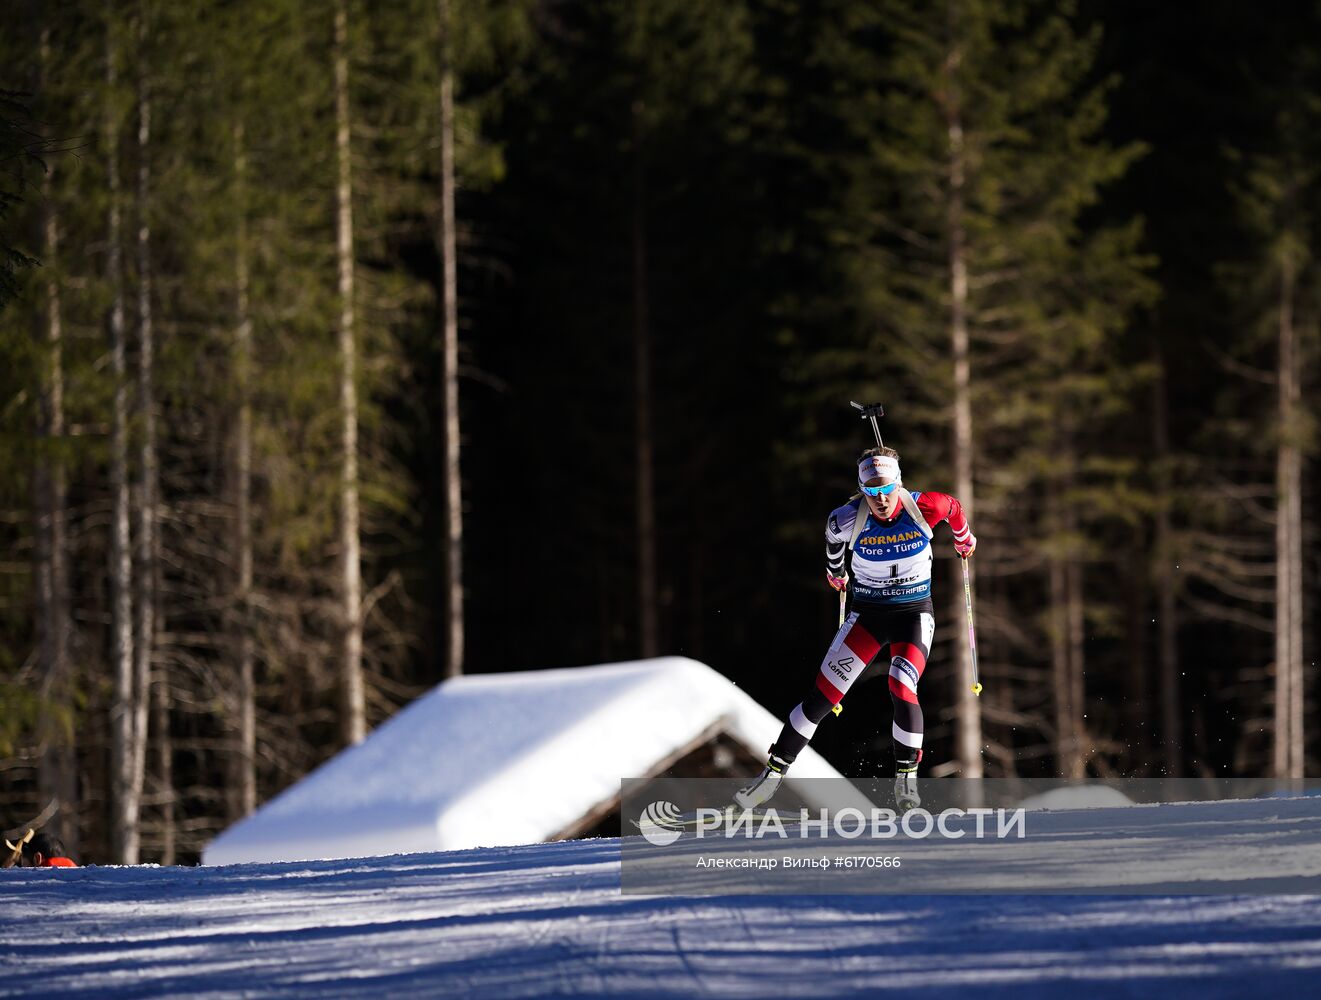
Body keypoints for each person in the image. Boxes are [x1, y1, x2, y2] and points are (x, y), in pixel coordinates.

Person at [735, 445, 975, 812]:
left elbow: (955, 510)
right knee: (822, 698)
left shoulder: (927, 506)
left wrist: (964, 540)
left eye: (886, 489)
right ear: (861, 489)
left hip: (913, 613)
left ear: (899, 483)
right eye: (871, 492)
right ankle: (770, 777)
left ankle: (906, 784)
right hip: (868, 615)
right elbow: (833, 546)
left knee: (901, 683)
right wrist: (836, 574)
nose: (880, 499)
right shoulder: (846, 519)